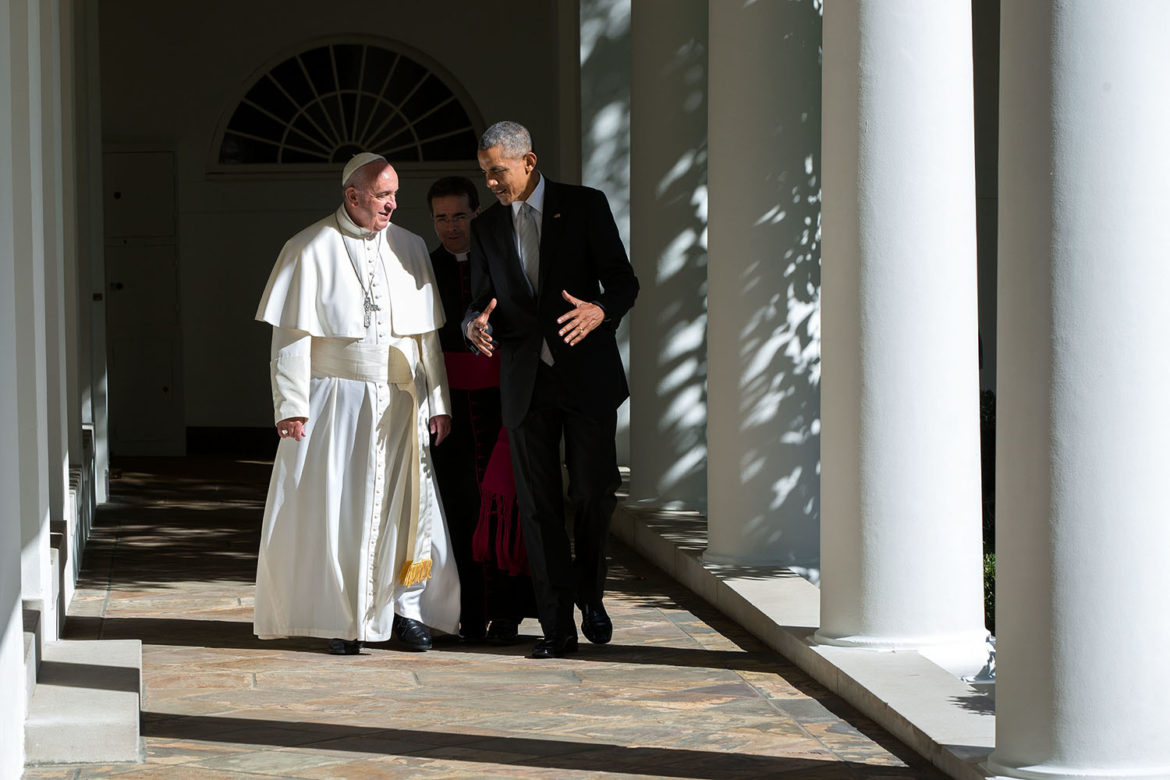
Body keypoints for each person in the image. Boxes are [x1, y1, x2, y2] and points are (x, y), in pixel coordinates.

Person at [253, 152, 459, 655]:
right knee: (339, 509)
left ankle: (405, 610)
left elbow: (425, 338)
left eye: (394, 194)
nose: (393, 204)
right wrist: (291, 405)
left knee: (407, 509)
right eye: (383, 195)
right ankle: (341, 619)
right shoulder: (309, 247)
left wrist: (437, 401)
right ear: (353, 196)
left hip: (400, 401)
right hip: (334, 402)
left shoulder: (410, 247)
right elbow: (291, 336)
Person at [464, 121, 639, 659]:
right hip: (525, 383)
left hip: (585, 377)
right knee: (538, 508)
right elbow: (479, 300)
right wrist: (473, 325)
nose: (491, 181)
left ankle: (590, 595)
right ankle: (556, 626)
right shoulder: (487, 227)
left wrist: (602, 309)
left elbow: (624, 281)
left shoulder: (585, 205)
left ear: (528, 162)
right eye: (485, 172)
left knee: (591, 494)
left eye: (498, 170)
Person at [427, 176, 535, 644]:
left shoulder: (502, 257)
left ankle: (508, 613)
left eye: (459, 215)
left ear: (477, 213)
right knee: (459, 510)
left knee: (505, 506)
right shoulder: (423, 267)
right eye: (441, 217)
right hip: (447, 408)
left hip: (499, 404)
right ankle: (466, 613)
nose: (451, 227)